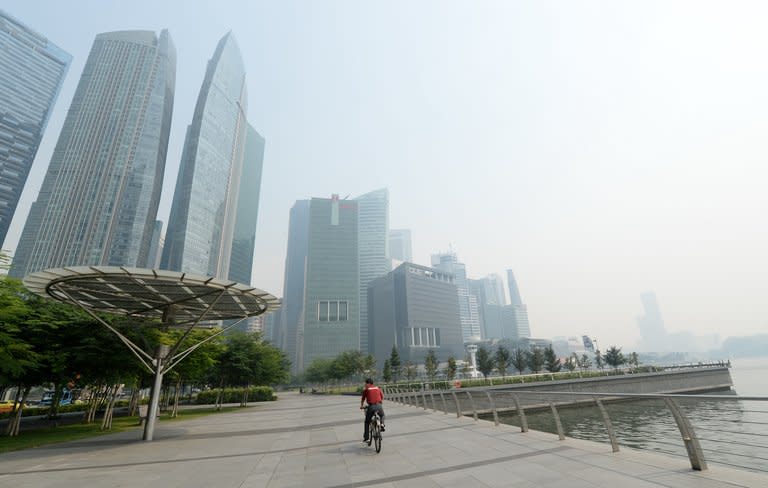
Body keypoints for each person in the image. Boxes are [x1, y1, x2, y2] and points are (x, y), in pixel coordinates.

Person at [360, 377, 385, 444]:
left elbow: (363, 399)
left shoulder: (366, 390)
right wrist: (379, 401)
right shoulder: (378, 388)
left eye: (365, 383)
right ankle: (382, 424)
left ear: (368, 383)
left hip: (371, 407)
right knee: (382, 415)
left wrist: (362, 406)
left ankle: (366, 438)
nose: (365, 384)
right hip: (379, 406)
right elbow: (382, 397)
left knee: (367, 422)